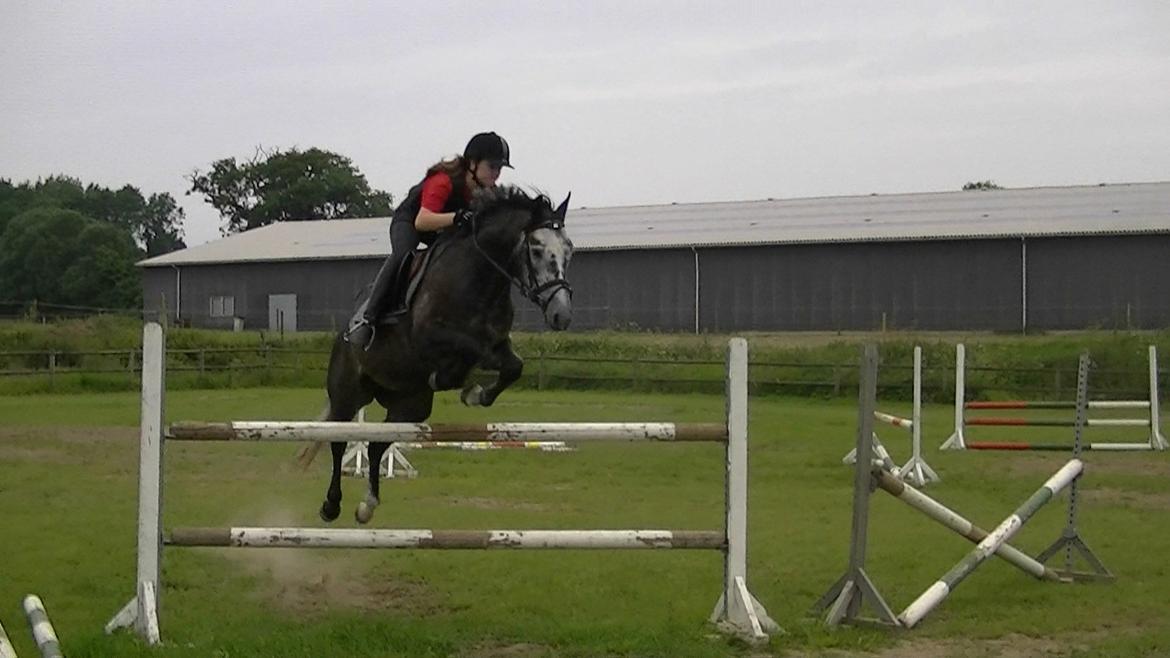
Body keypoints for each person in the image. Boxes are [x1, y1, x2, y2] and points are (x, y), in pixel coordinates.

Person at [344, 131, 513, 350]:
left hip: (443, 228)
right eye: (492, 167)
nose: (496, 174)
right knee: (403, 255)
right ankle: (368, 318)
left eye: (499, 168)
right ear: (472, 163)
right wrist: (456, 217)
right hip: (412, 221)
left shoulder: (488, 192)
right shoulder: (443, 181)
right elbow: (422, 222)